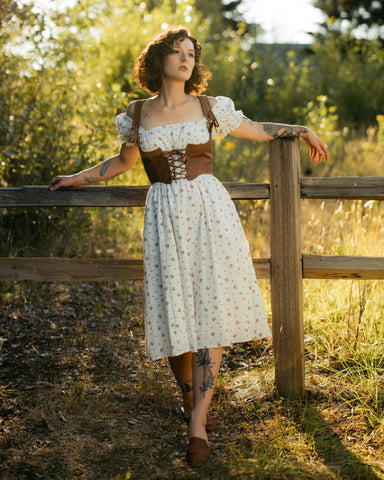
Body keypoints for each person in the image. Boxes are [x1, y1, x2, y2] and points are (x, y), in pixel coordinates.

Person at [49, 25, 328, 467]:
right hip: (163, 215)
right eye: (177, 52)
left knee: (209, 310)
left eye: (191, 54)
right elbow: (122, 162)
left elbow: (256, 129)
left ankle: (198, 422)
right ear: (158, 59)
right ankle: (189, 400)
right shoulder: (137, 114)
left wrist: (301, 128)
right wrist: (76, 178)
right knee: (175, 310)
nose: (185, 60)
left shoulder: (209, 107)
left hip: (208, 211)